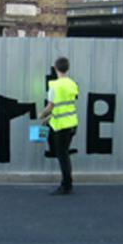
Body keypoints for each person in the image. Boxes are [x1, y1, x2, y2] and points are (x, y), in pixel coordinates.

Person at [39, 57, 80, 195]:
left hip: (61, 126)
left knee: (62, 155)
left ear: (56, 69)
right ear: (68, 68)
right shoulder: (73, 84)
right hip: (71, 123)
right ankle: (67, 183)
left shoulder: (54, 86)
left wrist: (42, 114)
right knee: (63, 154)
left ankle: (66, 185)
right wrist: (50, 117)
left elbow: (51, 106)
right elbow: (66, 105)